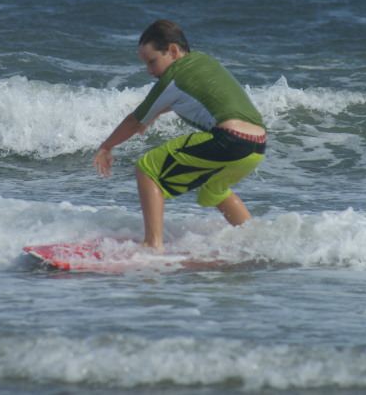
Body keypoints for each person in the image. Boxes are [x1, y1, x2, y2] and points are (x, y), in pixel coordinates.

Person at [93, 20, 267, 249]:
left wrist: (106, 147)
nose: (150, 71)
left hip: (230, 139)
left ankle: (152, 245)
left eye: (153, 61)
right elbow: (189, 99)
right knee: (213, 190)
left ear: (173, 51)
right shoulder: (202, 62)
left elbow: (134, 121)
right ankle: (255, 241)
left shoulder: (173, 76)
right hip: (256, 146)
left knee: (147, 168)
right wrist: (155, 114)